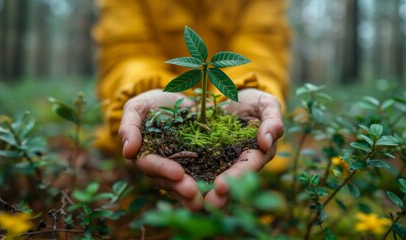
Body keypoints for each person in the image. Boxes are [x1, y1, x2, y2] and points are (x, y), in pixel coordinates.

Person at [92, 0, 291, 211]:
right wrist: (144, 92)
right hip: (131, 174)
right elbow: (127, 52)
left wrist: (243, 92)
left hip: (257, 174)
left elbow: (262, 50)